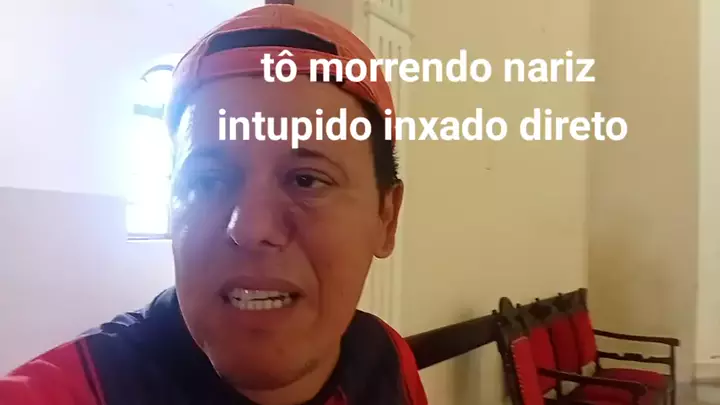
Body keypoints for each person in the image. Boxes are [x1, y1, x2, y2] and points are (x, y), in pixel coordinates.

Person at [0, 3, 428, 405]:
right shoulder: (70, 392)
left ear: (386, 217)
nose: (250, 227)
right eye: (208, 180)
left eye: (307, 179)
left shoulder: (386, 361)